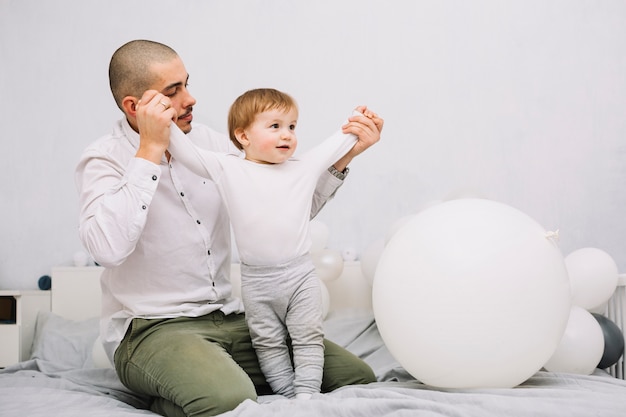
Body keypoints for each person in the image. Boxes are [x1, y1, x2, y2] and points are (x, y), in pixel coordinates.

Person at [75, 39, 383, 417]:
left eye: (186, 83)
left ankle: (197, 383)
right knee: (228, 400)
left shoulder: (214, 146)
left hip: (232, 318)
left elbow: (284, 210)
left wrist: (344, 157)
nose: (190, 99)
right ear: (134, 106)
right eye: (174, 91)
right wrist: (150, 149)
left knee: (355, 376)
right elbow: (107, 249)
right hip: (153, 329)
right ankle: (183, 388)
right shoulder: (103, 158)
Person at [166, 88, 380, 400]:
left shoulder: (302, 167)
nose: (287, 135)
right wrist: (162, 120)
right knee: (267, 342)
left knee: (308, 336)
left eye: (292, 126)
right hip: (257, 282)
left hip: (299, 276)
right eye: (275, 126)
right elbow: (186, 152)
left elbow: (338, 142)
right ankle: (286, 393)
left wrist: (359, 123)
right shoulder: (228, 167)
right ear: (243, 135)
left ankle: (307, 395)